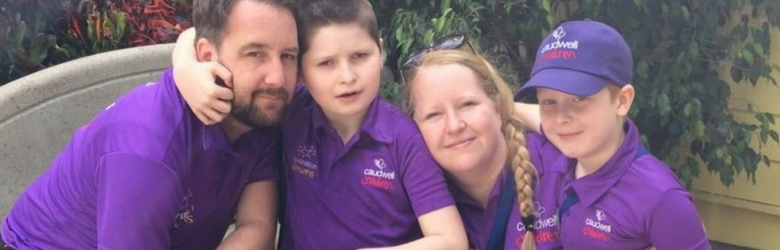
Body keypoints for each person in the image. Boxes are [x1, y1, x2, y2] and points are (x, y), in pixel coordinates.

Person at [0, 0, 297, 249]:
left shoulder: (255, 112)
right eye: (255, 54)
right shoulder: (149, 151)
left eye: (288, 56)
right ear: (207, 56)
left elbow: (255, 225)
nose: (277, 77)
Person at [173, 0, 468, 249]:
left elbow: (451, 240)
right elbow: (197, 35)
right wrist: (186, 69)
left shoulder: (403, 139)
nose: (347, 76)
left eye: (360, 56)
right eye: (326, 63)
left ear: (380, 53)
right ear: (300, 72)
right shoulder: (292, 113)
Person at [514, 19, 711, 249]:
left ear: (622, 101)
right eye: (549, 101)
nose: (560, 118)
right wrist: (503, 105)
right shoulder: (570, 145)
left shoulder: (659, 197)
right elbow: (542, 120)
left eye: (578, 99)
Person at [399, 35, 564, 250]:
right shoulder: (420, 198)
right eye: (433, 115)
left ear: (497, 106)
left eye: (467, 104)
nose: (454, 126)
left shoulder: (559, 166)